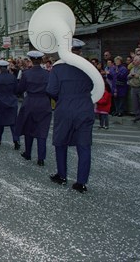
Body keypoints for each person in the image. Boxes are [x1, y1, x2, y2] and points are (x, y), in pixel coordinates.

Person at [47, 39, 95, 193]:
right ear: (80, 51)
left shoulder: (58, 68)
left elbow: (51, 90)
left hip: (65, 107)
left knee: (60, 142)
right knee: (84, 145)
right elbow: (95, 85)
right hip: (85, 107)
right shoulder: (89, 67)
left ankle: (62, 175)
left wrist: (62, 99)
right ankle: (81, 183)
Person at [16, 51, 52, 166]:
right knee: (42, 131)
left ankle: (28, 152)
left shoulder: (26, 74)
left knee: (28, 129)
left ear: (31, 60)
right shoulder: (48, 74)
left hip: (30, 102)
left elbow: (20, 89)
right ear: (41, 60)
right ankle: (41, 158)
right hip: (44, 103)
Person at [0, 60, 20, 149]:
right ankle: (16, 140)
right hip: (12, 100)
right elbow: (17, 90)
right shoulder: (13, 77)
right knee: (14, 122)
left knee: (0, 121)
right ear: (7, 67)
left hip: (1, 100)